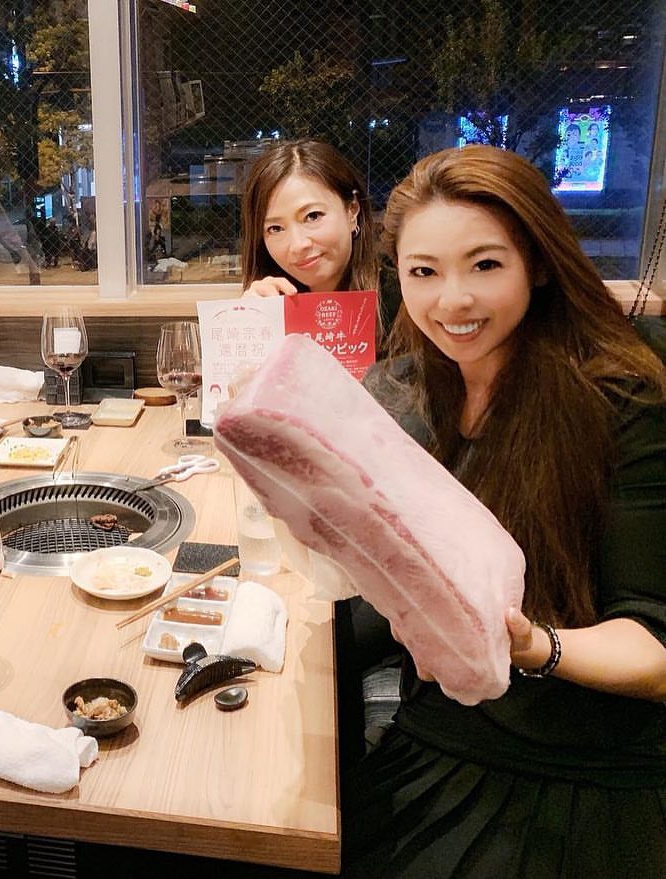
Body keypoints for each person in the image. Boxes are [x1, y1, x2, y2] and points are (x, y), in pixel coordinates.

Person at [342, 145, 666, 877]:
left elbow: (653, 648)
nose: (451, 301)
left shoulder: (622, 401)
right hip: (438, 731)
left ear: (538, 264)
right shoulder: (403, 393)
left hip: (580, 771)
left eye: (484, 265)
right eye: (424, 272)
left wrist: (529, 646)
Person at [239, 139, 401, 335]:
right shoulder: (271, 304)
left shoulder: (402, 300)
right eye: (275, 228)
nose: (298, 245)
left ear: (352, 210)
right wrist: (250, 330)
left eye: (313, 216)